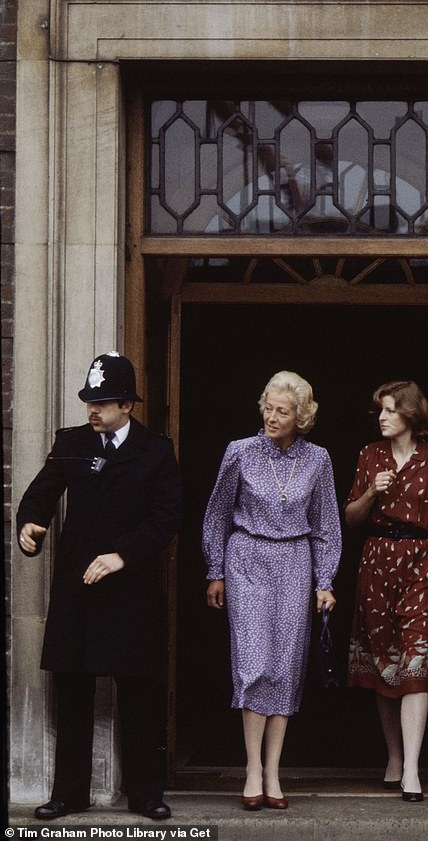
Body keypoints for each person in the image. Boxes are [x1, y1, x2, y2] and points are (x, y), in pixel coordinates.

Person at [17, 352, 182, 821]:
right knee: (72, 693)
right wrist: (29, 524)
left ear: (127, 405)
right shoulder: (71, 442)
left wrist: (121, 554)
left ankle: (147, 794)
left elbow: (167, 518)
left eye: (103, 402)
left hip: (131, 592)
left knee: (141, 695)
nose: (93, 410)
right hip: (79, 590)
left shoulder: (155, 450)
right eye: (89, 401)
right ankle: (69, 794)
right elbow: (40, 493)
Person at [202, 370, 341, 811]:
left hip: (295, 563)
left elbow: (326, 526)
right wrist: (214, 571)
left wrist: (325, 581)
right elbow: (217, 514)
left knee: (285, 667)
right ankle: (251, 768)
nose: (272, 417)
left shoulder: (318, 459)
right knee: (253, 663)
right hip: (247, 559)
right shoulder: (239, 452)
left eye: (282, 411)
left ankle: (274, 770)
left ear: (301, 417)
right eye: (268, 407)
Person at [345, 380, 428, 803]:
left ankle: (412, 769)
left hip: (423, 562)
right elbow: (351, 518)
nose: (382, 416)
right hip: (377, 561)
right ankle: (393, 757)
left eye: (391, 410)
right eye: (380, 409)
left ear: (411, 415)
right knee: (385, 663)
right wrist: (370, 493)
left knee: (416, 661)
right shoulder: (369, 455)